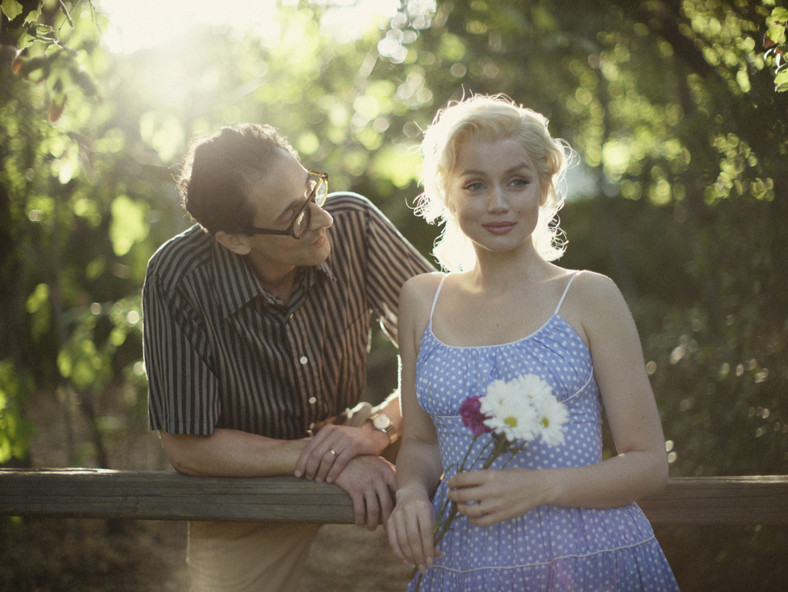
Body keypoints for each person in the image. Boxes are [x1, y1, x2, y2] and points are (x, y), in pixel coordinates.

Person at [386, 95, 679, 591]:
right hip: (462, 561)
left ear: (544, 187)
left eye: (517, 182)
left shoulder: (589, 295)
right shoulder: (421, 300)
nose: (498, 203)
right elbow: (419, 443)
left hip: (589, 557)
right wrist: (411, 493)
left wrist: (539, 486)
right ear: (446, 193)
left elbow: (649, 464)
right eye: (475, 185)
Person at [142, 123, 433, 592]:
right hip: (246, 475)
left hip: (357, 428)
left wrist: (376, 431)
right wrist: (332, 457)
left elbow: (454, 347)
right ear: (235, 239)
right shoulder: (179, 277)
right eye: (296, 215)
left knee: (484, 446)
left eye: (312, 188)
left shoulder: (353, 221)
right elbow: (189, 447)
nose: (323, 218)